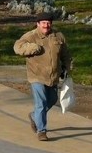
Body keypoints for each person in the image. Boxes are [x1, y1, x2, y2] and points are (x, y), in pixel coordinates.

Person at [13, 11, 72, 141]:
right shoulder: (30, 36)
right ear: (38, 24)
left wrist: (68, 68)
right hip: (36, 76)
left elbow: (66, 55)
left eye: (48, 23)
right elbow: (17, 47)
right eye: (43, 23)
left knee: (51, 100)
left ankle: (34, 116)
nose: (46, 25)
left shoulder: (58, 36)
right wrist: (32, 48)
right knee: (41, 103)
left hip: (53, 76)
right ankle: (42, 131)